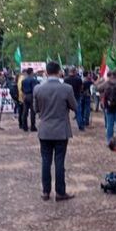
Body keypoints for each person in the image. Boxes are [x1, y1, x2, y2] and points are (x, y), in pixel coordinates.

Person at [33, 61, 77, 202]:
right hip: (61, 130)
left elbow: (36, 109)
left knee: (45, 161)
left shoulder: (38, 89)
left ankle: (46, 191)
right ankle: (60, 192)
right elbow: (74, 106)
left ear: (46, 72)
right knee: (59, 162)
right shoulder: (67, 88)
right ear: (59, 72)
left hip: (45, 130)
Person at [21, 68, 39, 132]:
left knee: (25, 112)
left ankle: (24, 126)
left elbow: (22, 89)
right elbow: (34, 89)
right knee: (32, 112)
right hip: (31, 95)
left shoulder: (24, 80)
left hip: (25, 95)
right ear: (31, 72)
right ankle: (32, 126)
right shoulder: (33, 80)